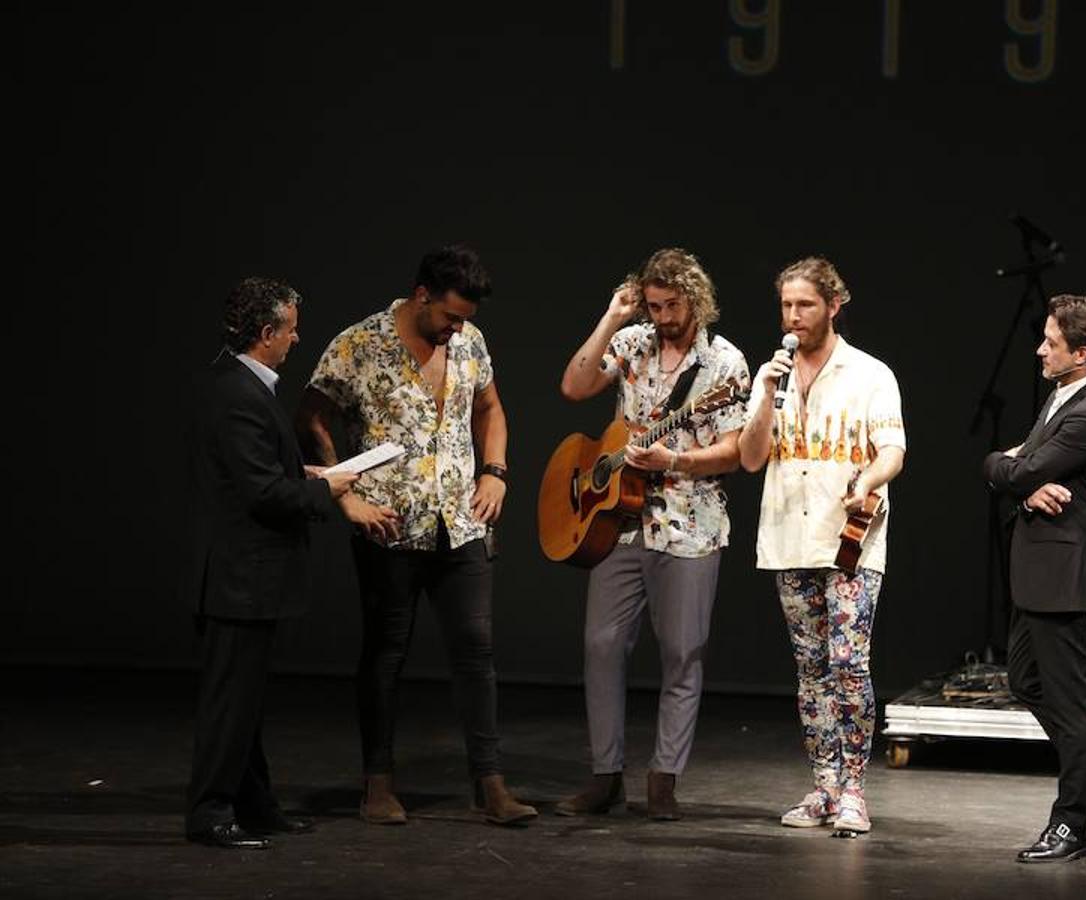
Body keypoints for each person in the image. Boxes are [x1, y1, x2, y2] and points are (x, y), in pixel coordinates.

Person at [295, 244, 536, 827]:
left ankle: (491, 784)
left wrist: (495, 472)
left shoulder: (469, 341)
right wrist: (345, 494)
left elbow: (491, 408)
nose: (458, 329)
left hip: (461, 521)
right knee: (385, 655)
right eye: (450, 316)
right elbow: (311, 417)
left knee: (477, 653)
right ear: (421, 295)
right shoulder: (360, 344)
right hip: (391, 528)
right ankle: (377, 784)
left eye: (466, 319)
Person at [556, 248, 749, 820]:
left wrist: (676, 461)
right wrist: (612, 318)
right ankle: (604, 775)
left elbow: (737, 451)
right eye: (654, 305)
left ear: (695, 298)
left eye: (672, 305)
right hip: (619, 521)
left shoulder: (725, 365)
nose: (663, 317)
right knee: (601, 646)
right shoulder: (633, 341)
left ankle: (663, 779)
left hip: (690, 526)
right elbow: (575, 385)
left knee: (682, 655)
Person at [184, 277, 358, 849]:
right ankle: (210, 814)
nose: (296, 337)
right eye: (289, 328)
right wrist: (328, 488)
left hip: (252, 579)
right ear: (266, 334)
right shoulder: (238, 393)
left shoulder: (243, 387)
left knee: (246, 704)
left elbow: (258, 476)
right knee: (229, 704)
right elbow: (261, 496)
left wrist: (303, 475)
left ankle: (255, 804)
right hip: (241, 580)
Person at [981, 294, 1086, 862]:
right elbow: (1018, 469)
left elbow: (1016, 463)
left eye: (1051, 343)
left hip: (1062, 574)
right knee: (1026, 684)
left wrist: (1015, 473)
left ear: (1081, 353)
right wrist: (1020, 478)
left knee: (1072, 702)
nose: (1040, 349)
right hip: (1039, 570)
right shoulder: (1068, 392)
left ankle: (1071, 825)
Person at [738, 257, 906, 837]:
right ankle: (824, 785)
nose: (793, 316)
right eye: (786, 305)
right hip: (789, 539)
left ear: (834, 304)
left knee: (848, 664)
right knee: (810, 670)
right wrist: (762, 393)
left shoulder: (870, 374)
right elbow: (752, 456)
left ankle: (855, 787)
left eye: (805, 304)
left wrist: (870, 480)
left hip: (850, 539)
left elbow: (892, 450)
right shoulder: (774, 376)